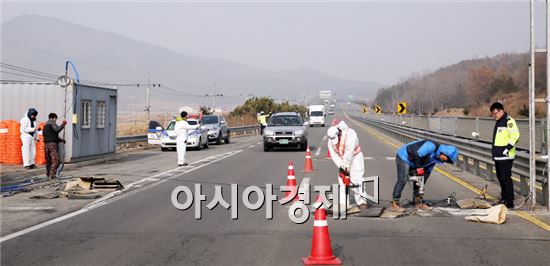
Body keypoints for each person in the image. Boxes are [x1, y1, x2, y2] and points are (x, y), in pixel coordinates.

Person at [390, 140, 458, 212]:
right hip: (404, 156)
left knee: (420, 180)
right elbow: (417, 154)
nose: (444, 161)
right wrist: (418, 169)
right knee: (402, 180)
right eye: (446, 158)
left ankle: (418, 203)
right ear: (444, 152)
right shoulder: (431, 146)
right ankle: (394, 204)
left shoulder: (436, 158)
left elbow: (428, 171)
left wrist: (422, 181)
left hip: (415, 161)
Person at [326, 120, 368, 211]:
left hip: (355, 157)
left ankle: (362, 202)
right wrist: (342, 166)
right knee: (342, 181)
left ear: (339, 133)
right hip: (342, 160)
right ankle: (343, 203)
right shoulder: (331, 140)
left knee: (357, 180)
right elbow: (334, 155)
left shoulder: (350, 134)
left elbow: (349, 151)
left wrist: (346, 166)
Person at [490, 102, 520, 208]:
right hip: (498, 156)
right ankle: (504, 198)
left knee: (506, 178)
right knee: (500, 177)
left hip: (506, 156)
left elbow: (515, 136)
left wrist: (507, 149)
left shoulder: (509, 121)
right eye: (493, 114)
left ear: (501, 110)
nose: (494, 115)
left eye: (495, 113)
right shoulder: (499, 121)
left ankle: (509, 201)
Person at [43, 113, 66, 179]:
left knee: (48, 160)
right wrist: (63, 124)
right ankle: (52, 175)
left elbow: (52, 135)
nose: (55, 120)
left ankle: (48, 174)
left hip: (46, 145)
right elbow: (57, 130)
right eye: (55, 119)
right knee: (56, 160)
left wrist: (61, 140)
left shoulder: (45, 125)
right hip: (52, 145)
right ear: (53, 118)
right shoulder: (52, 123)